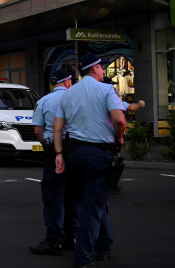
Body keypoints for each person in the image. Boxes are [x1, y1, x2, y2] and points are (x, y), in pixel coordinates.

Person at [54, 54, 126, 268]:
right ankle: (83, 257)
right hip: (99, 154)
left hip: (75, 155)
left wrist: (59, 154)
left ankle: (104, 246)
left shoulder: (68, 94)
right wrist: (120, 137)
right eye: (102, 68)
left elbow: (58, 127)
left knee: (94, 200)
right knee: (93, 206)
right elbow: (120, 119)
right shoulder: (106, 90)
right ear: (94, 69)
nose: (103, 71)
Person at [30, 68, 79, 256]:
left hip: (54, 153)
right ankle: (72, 237)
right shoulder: (76, 99)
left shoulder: (44, 101)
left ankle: (54, 239)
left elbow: (37, 130)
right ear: (67, 82)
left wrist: (47, 146)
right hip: (76, 151)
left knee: (53, 196)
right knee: (74, 195)